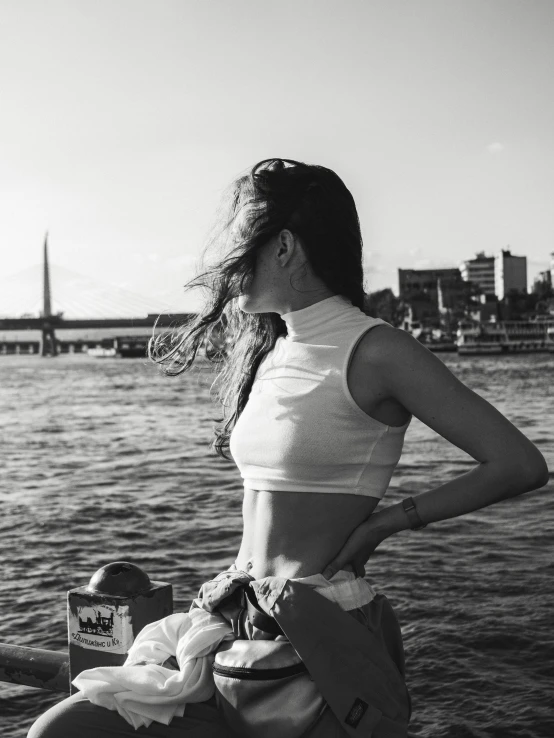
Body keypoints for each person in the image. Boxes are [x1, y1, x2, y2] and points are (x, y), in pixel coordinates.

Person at [28, 158, 549, 737]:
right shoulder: (273, 350)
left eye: (238, 244)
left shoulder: (376, 351)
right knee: (60, 730)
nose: (228, 265)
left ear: (283, 247)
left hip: (318, 637)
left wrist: (382, 525)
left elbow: (519, 464)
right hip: (232, 621)